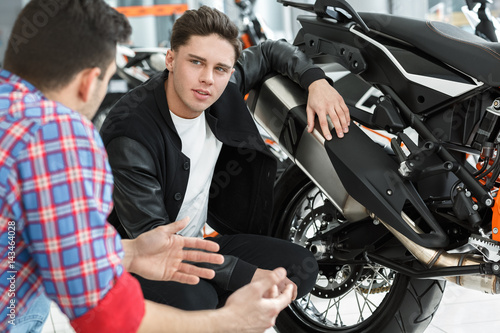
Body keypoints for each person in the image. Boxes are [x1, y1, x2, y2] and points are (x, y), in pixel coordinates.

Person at [0, 1, 294, 332]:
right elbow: (103, 314)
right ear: (89, 81)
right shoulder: (57, 136)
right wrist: (226, 322)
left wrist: (131, 252)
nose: (207, 78)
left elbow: (42, 242)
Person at [100, 5, 350, 311]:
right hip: (136, 261)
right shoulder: (131, 134)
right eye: (196, 62)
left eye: (220, 68)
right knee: (199, 298)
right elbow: (156, 244)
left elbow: (272, 50)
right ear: (171, 59)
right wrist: (247, 275)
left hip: (196, 246)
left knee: (299, 267)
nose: (207, 78)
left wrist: (316, 82)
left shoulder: (223, 85)